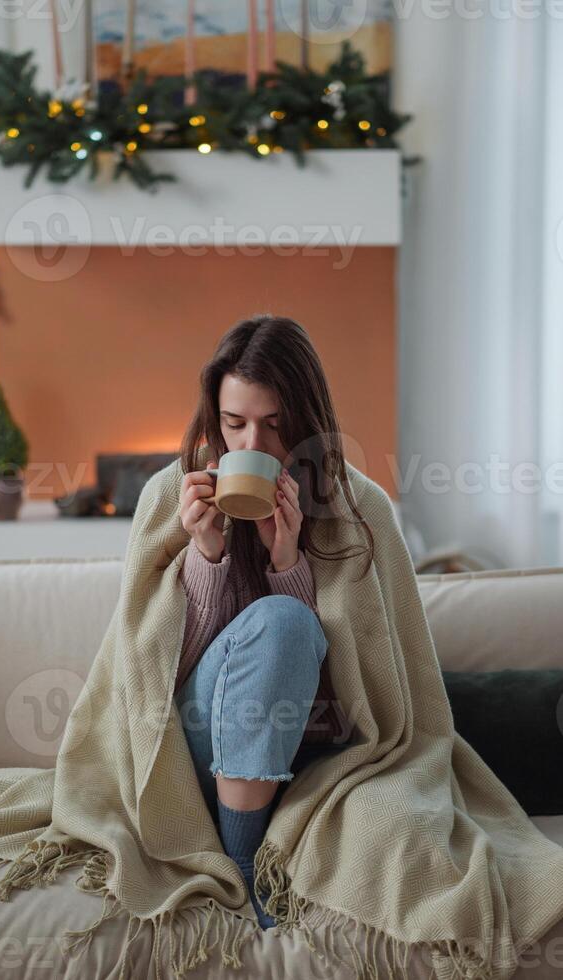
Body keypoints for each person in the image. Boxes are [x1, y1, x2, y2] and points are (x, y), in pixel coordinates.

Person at [173, 313, 374, 929]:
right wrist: (208, 556)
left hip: (306, 745)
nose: (252, 448)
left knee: (286, 622)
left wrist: (289, 560)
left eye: (274, 426)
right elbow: (157, 670)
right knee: (278, 621)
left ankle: (256, 850)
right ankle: (243, 868)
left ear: (307, 424)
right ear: (215, 424)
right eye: (234, 426)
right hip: (199, 740)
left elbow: (350, 670)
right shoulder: (173, 496)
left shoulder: (353, 509)